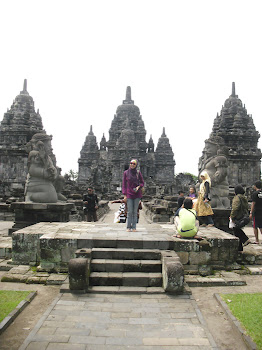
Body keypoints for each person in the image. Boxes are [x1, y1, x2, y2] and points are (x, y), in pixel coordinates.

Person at [122, 159, 144, 232]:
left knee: (135, 212)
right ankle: (128, 227)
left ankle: (134, 227)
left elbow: (142, 182)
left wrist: (139, 187)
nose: (132, 164)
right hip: (129, 194)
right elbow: (124, 184)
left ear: (136, 165)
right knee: (129, 211)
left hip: (137, 194)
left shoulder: (138, 173)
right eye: (131, 163)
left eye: (134, 164)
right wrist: (124, 195)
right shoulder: (126, 173)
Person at [230, 185, 250, 251]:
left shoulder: (237, 198)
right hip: (243, 216)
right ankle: (240, 249)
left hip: (238, 217)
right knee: (236, 231)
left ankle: (245, 239)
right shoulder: (244, 197)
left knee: (236, 230)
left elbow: (235, 208)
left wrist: (232, 217)